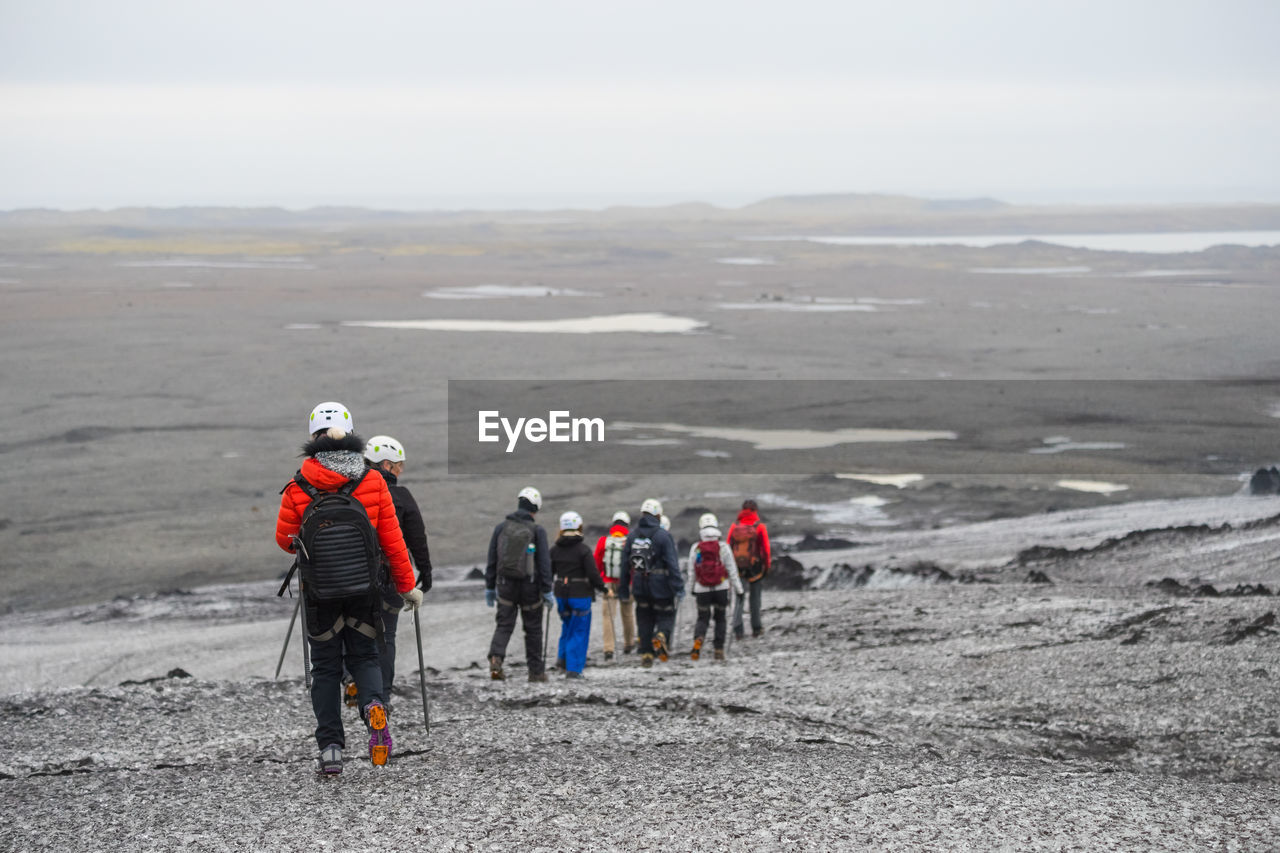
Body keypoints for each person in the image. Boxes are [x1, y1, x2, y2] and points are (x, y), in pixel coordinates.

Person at [275, 402, 422, 775]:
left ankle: (331, 750)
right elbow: (392, 541)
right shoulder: (372, 480)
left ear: (313, 439)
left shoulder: (297, 485)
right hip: (365, 589)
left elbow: (284, 540)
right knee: (366, 657)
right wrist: (407, 586)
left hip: (319, 592)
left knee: (325, 668)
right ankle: (374, 705)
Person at [363, 435, 434, 706]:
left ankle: (350, 681)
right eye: (399, 465)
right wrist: (425, 573)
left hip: (355, 576)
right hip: (391, 577)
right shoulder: (401, 496)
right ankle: (382, 697)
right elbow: (417, 537)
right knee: (386, 635)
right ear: (386, 465)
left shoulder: (351, 490)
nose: (401, 470)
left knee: (353, 631)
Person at [484, 486, 553, 682]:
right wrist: (547, 590)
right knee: (533, 629)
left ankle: (496, 658)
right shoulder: (537, 530)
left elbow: (492, 560)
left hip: (505, 586)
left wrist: (490, 586)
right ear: (535, 508)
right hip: (530, 588)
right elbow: (544, 563)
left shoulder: (501, 528)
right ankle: (536, 672)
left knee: (504, 625)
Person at [619, 499, 683, 668]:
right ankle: (661, 636)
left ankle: (646, 653)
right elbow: (672, 564)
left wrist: (624, 590)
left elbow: (624, 565)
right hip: (661, 585)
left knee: (644, 617)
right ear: (658, 515)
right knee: (666, 615)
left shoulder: (632, 536)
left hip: (640, 584)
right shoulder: (664, 536)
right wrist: (678, 588)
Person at [551, 510, 606, 679]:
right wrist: (602, 588)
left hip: (560, 594)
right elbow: (593, 573)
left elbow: (548, 572)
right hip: (580, 595)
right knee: (579, 630)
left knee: (567, 626)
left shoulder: (554, 550)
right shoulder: (583, 550)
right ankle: (573, 669)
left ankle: (562, 660)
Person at [687, 513, 744, 661]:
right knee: (720, 618)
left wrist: (691, 589)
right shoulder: (723, 547)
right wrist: (739, 589)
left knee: (702, 618)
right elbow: (732, 569)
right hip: (721, 588)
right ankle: (719, 649)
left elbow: (691, 571)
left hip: (702, 589)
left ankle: (698, 639)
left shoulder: (696, 548)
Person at [593, 510, 635, 660]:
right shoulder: (630, 541)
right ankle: (629, 644)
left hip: (608, 582)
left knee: (608, 616)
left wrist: (599, 579)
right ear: (627, 525)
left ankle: (608, 649)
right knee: (628, 613)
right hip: (627, 582)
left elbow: (597, 561)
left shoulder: (604, 541)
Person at [728, 498, 772, 640]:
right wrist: (766, 567)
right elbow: (765, 549)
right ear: (755, 510)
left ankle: (738, 631)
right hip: (755, 568)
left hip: (738, 568)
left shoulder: (734, 526)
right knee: (755, 599)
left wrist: (729, 569)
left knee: (739, 598)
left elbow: (728, 547)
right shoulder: (759, 527)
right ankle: (756, 629)